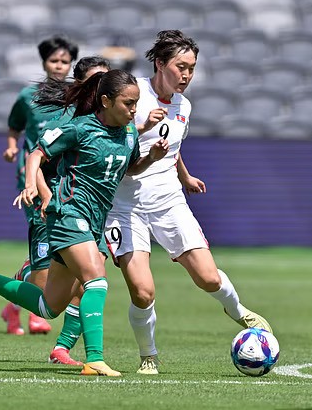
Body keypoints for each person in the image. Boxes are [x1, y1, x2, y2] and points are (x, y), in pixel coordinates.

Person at [0, 69, 169, 377]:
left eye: (136, 103)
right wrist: (32, 185)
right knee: (96, 279)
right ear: (106, 101)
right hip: (68, 213)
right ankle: (94, 359)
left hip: (94, 221)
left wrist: (152, 158)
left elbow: (129, 169)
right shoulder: (79, 128)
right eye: (128, 103)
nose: (134, 110)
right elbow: (36, 155)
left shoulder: (129, 133)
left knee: (49, 307)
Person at [103, 30, 273, 376]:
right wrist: (139, 127)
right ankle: (148, 356)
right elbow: (111, 141)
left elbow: (171, 145)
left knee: (209, 278)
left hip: (168, 201)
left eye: (192, 68)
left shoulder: (184, 105)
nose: (187, 75)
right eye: (181, 67)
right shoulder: (133, 94)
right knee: (143, 292)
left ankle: (240, 312)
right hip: (124, 206)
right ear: (159, 63)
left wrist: (184, 175)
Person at [8, 56, 113, 367]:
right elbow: (37, 157)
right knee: (48, 297)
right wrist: (43, 194)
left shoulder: (110, 121)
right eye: (97, 81)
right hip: (57, 209)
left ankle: (63, 349)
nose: (103, 87)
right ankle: (20, 274)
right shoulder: (66, 120)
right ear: (81, 84)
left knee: (90, 279)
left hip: (89, 215)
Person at [1, 35, 79, 337]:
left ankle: (14, 303)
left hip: (65, 179)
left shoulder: (75, 96)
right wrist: (12, 147)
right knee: (44, 238)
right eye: (53, 60)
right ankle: (36, 314)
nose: (59, 66)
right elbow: (14, 127)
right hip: (34, 178)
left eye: (64, 61)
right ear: (44, 63)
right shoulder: (28, 96)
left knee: (55, 246)